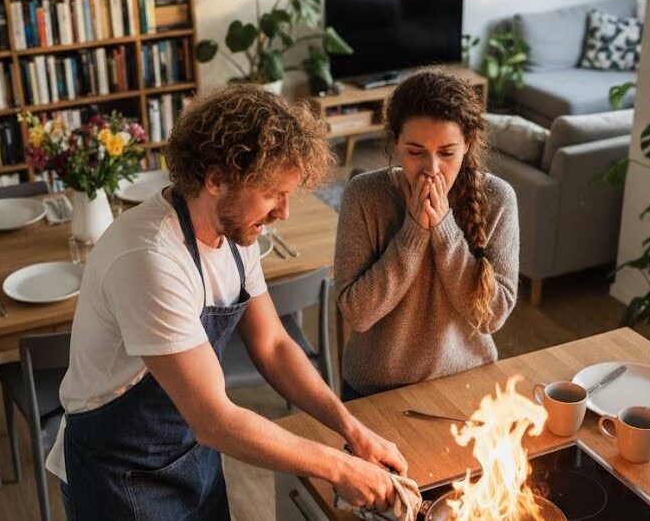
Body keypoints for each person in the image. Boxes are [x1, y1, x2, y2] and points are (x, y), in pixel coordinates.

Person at [45, 85, 405, 520]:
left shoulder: (236, 232)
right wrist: (338, 467)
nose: (283, 213)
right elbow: (214, 419)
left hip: (191, 451)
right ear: (216, 179)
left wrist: (351, 428)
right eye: (273, 193)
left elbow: (272, 344)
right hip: (119, 473)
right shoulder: (151, 259)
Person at [336, 70, 519, 400]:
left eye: (447, 153)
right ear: (395, 144)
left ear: (468, 144)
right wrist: (414, 231)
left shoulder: (497, 199)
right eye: (415, 152)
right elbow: (357, 314)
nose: (431, 169)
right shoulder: (363, 195)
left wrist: (444, 229)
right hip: (374, 390)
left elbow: (491, 316)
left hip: (467, 384)